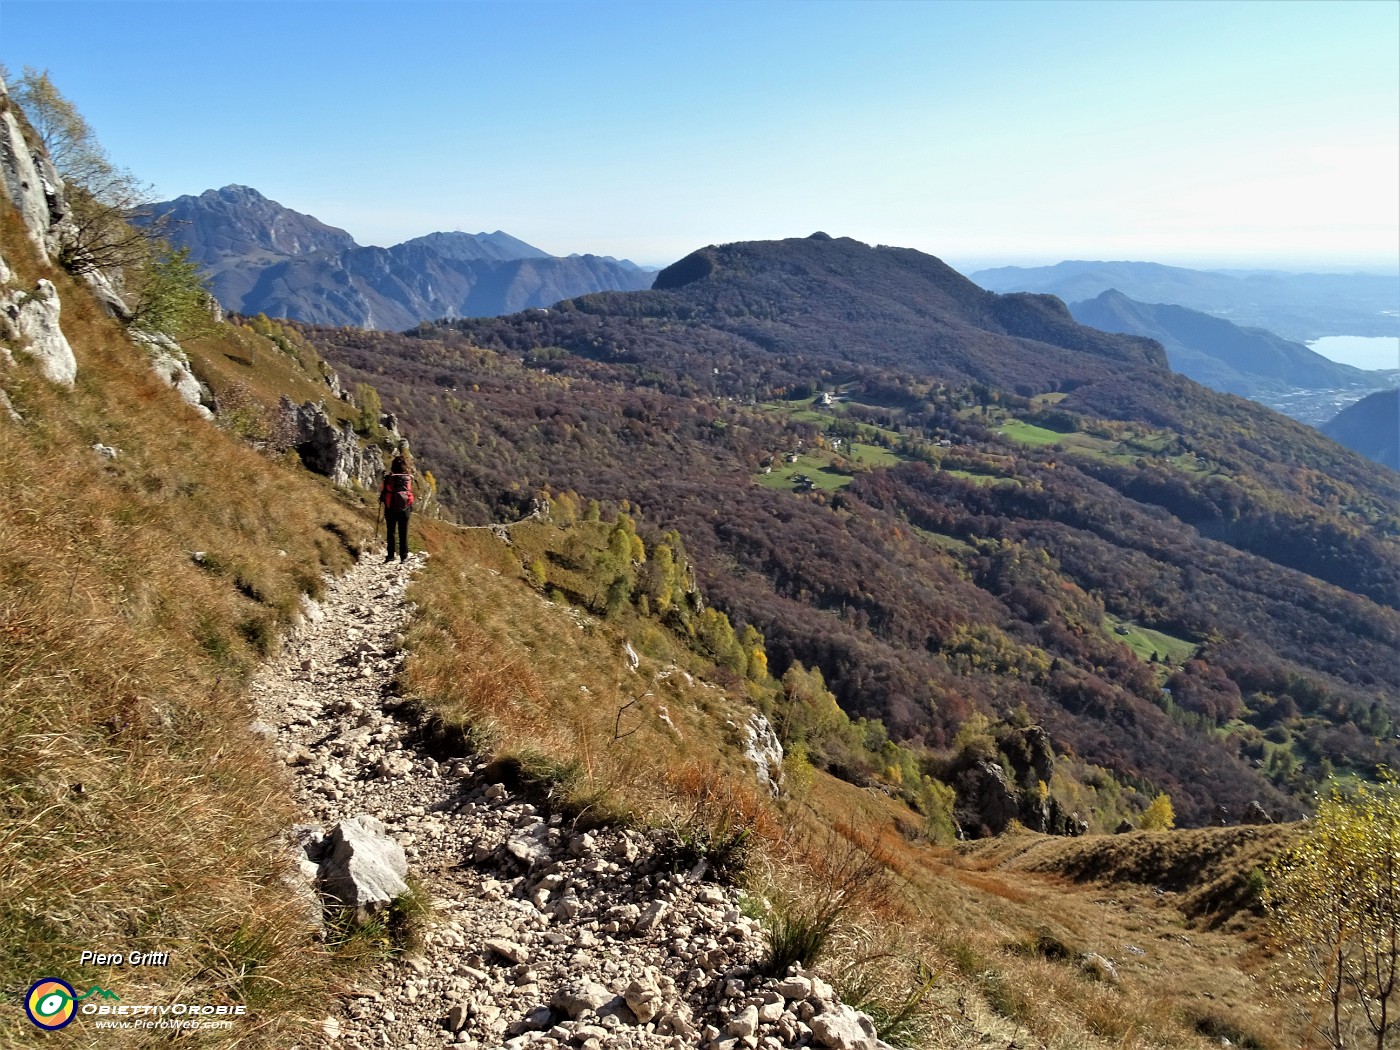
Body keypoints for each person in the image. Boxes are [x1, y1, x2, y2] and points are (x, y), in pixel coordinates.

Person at [379, 456, 414, 563]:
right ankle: (404, 556)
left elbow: (383, 492)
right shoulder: (407, 478)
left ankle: (390, 555)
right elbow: (409, 492)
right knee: (403, 532)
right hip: (405, 508)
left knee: (391, 532)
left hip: (390, 508)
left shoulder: (388, 478)